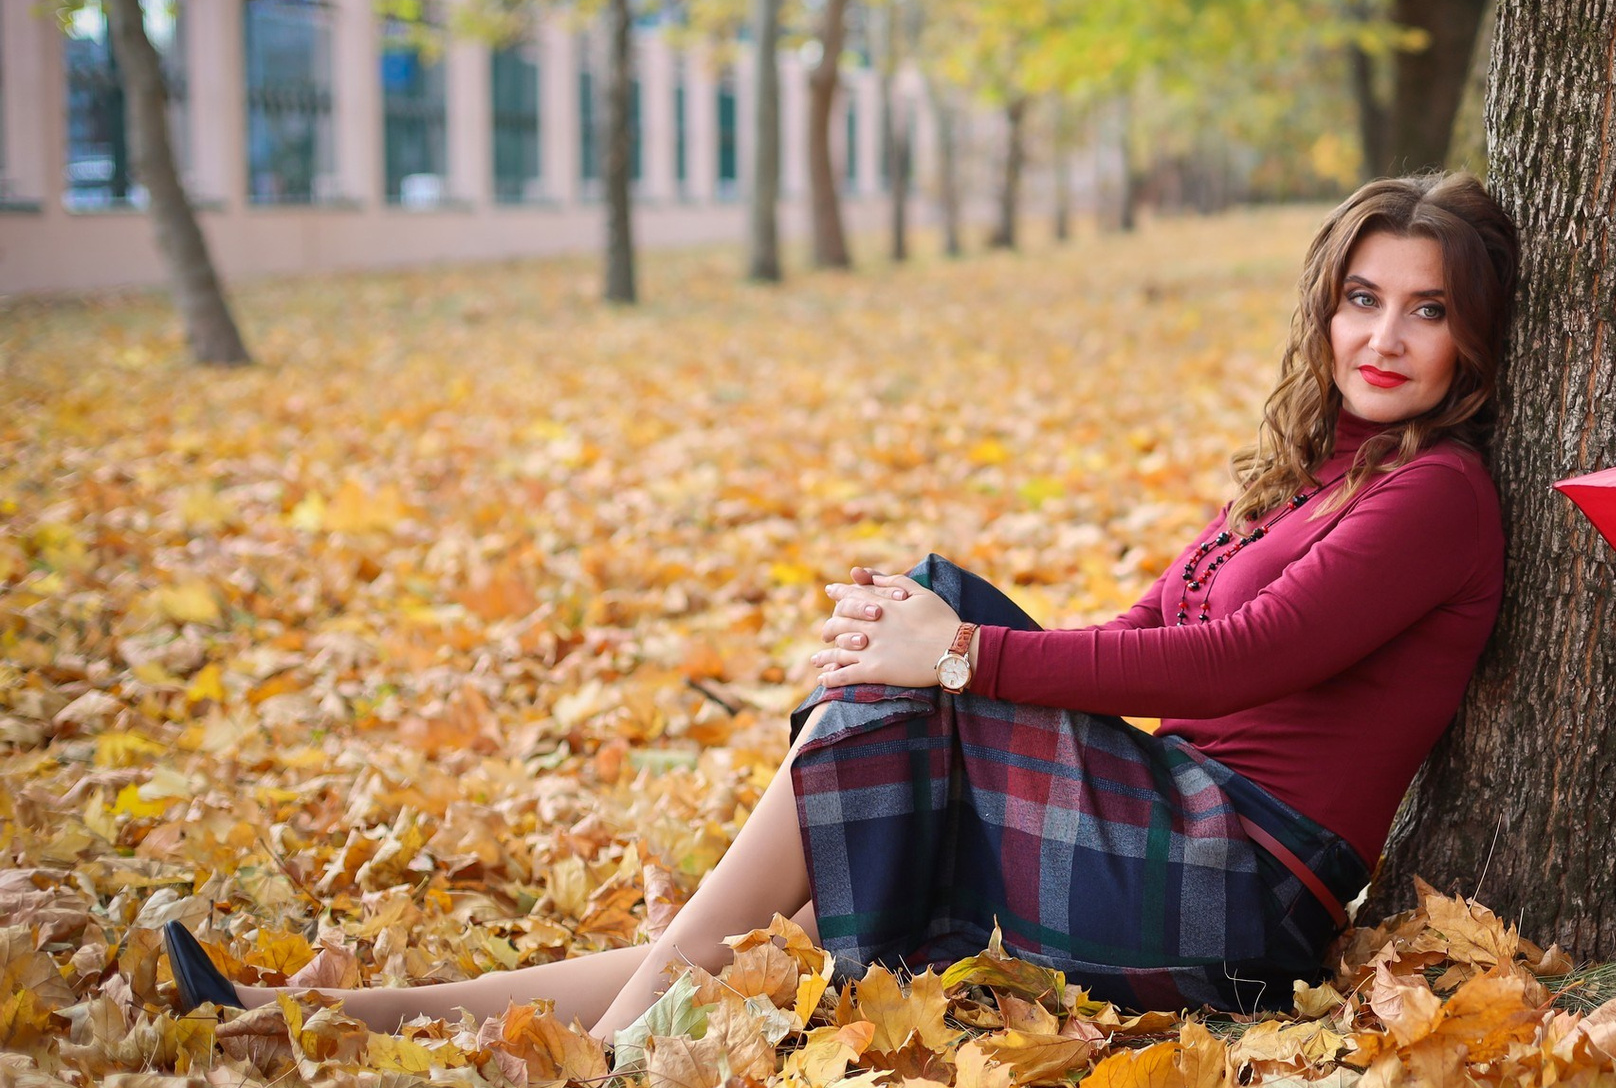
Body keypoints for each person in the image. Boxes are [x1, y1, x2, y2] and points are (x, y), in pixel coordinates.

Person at [166, 173, 1518, 1038]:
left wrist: (955, 660)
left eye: (1425, 313)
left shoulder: (1438, 496)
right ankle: (336, 1018)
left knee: (916, 671)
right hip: (1165, 825)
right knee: (807, 857)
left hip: (1237, 897)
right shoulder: (1302, 473)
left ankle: (615, 1048)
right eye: (1361, 299)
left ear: (1471, 342)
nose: (1383, 338)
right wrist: (926, 641)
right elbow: (1151, 638)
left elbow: (1236, 660)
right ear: (1325, 309)